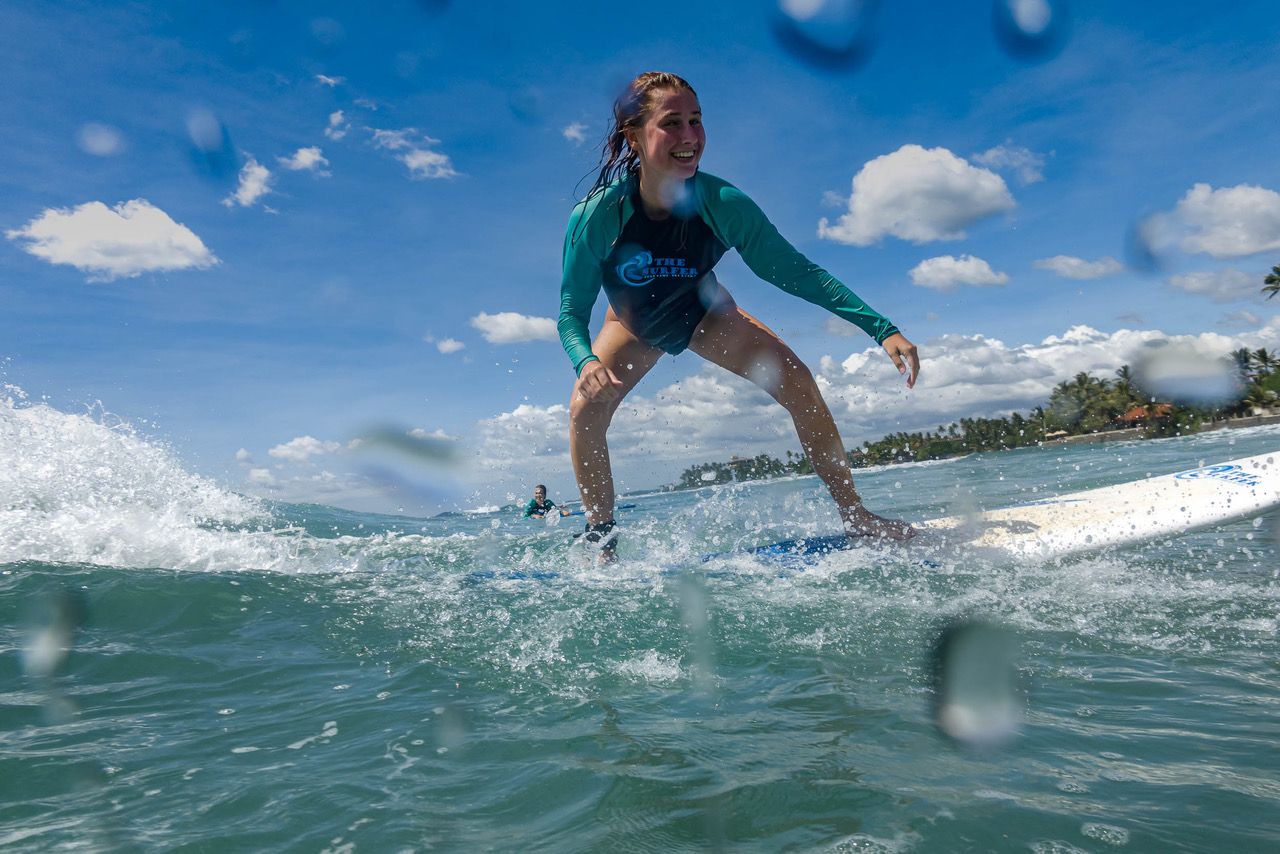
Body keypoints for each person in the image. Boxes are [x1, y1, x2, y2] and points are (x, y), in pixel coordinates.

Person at [559, 72, 920, 556]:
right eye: (672, 123)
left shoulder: (723, 203)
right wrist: (586, 363)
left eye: (696, 121)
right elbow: (570, 312)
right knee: (584, 411)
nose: (689, 137)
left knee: (798, 381)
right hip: (632, 326)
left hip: (707, 314)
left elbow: (797, 272)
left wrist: (882, 328)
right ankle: (602, 541)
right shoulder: (598, 215)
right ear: (633, 135)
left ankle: (857, 515)